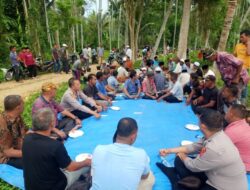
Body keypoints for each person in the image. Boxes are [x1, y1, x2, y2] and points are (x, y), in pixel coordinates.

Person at [157, 109, 248, 190]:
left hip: (222, 186)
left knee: (183, 164)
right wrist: (168, 150)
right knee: (179, 160)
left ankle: (174, 178)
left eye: (199, 120)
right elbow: (192, 147)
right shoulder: (216, 134)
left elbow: (194, 166)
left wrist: (183, 156)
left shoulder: (214, 147)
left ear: (203, 126)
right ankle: (180, 177)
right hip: (213, 174)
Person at [23, 108, 91, 190]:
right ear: (52, 124)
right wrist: (86, 162)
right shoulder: (55, 146)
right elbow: (71, 167)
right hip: (55, 186)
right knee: (85, 165)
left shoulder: (27, 139)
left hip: (30, 186)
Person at [91, 118, 155, 190]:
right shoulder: (141, 154)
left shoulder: (98, 149)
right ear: (133, 136)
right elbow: (144, 176)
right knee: (150, 177)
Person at [0, 95, 28, 169]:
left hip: (17, 148)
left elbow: (25, 131)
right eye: (23, 103)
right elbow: (7, 152)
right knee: (34, 161)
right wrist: (30, 152)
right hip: (5, 157)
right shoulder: (3, 126)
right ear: (18, 108)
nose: (24, 105)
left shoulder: (17, 117)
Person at [224, 104, 250, 173]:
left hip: (244, 167)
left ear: (231, 114)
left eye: (227, 111)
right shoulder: (243, 124)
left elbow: (217, 149)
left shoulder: (234, 130)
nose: (226, 113)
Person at [234, 30, 250, 104]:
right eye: (240, 37)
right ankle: (237, 103)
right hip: (237, 69)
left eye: (242, 37)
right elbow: (234, 56)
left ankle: (242, 105)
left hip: (245, 70)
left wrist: (248, 42)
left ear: (248, 37)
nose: (241, 39)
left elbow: (248, 53)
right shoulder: (238, 45)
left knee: (243, 88)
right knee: (237, 87)